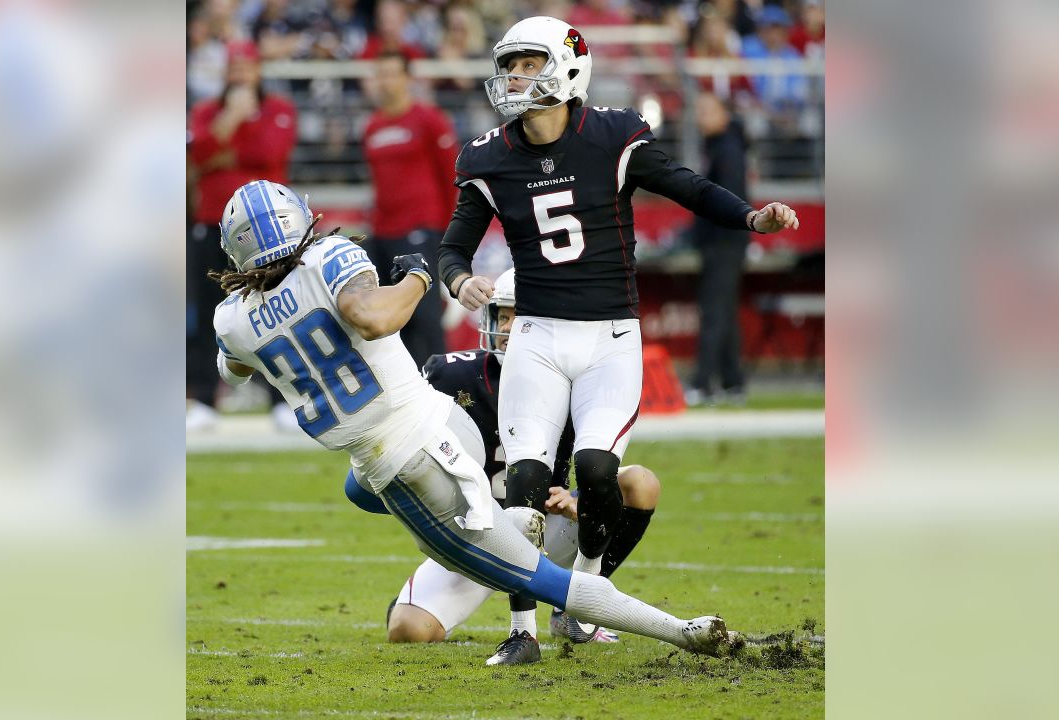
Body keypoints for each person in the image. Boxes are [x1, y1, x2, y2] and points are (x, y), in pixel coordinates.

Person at [211, 180, 738, 666]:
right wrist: (419, 276)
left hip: (404, 465)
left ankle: (681, 632)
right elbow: (373, 315)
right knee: (496, 523)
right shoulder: (330, 255)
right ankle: (522, 548)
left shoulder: (230, 321)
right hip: (440, 424)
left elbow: (235, 367)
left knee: (544, 575)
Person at [437, 15, 799, 640]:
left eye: (530, 64)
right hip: (538, 336)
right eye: (512, 65)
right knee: (526, 481)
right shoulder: (488, 156)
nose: (516, 77)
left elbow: (687, 186)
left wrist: (749, 218)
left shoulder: (613, 133)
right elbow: (452, 247)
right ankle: (520, 628)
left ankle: (583, 593)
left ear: (568, 67)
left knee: (598, 470)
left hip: (609, 337)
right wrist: (458, 280)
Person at [342, 269, 663, 665]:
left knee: (639, 483)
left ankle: (575, 609)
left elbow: (595, 470)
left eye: (521, 316)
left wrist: (578, 500)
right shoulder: (450, 374)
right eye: (504, 316)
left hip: (544, 532)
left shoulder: (576, 381)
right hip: (472, 530)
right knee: (408, 630)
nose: (511, 328)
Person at [187, 40, 298, 430]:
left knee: (274, 311)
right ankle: (203, 400)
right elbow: (196, 155)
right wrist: (230, 120)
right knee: (205, 314)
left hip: (265, 230)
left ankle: (282, 400)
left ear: (257, 71)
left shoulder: (279, 109)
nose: (239, 77)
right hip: (210, 221)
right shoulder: (206, 112)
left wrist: (226, 150)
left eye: (246, 69)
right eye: (233, 70)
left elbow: (271, 154)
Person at [360, 51, 457, 366]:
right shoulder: (372, 126)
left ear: (407, 79)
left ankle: (441, 384)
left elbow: (451, 176)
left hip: (421, 228)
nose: (386, 81)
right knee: (394, 316)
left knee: (426, 314)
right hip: (384, 230)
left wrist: (448, 230)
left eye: (392, 73)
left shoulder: (429, 119)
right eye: (381, 74)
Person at [688, 93, 750, 406]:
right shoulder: (718, 147)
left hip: (724, 242)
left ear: (724, 115)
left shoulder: (727, 151)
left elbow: (728, 201)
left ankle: (702, 383)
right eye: (699, 111)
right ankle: (732, 382)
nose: (701, 117)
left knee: (714, 312)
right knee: (723, 312)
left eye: (707, 111)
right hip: (722, 241)